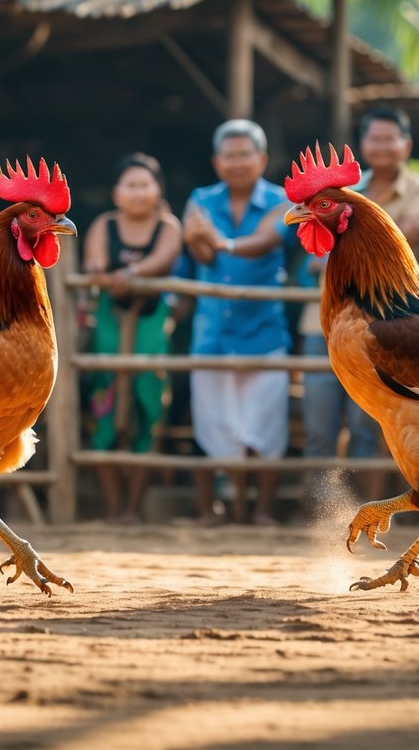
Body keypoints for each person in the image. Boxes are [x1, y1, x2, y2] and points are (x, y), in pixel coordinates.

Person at [301, 107, 419, 503]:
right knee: (318, 424)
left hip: (388, 326)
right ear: (363, 145)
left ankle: (364, 502)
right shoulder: (342, 197)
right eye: (373, 139)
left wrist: (355, 233)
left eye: (389, 138)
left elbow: (407, 232)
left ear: (406, 145)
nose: (381, 146)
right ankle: (322, 510)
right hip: (325, 325)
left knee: (370, 426)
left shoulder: (417, 192)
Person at [176, 119, 297, 526]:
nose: (237, 162)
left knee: (266, 425)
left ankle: (259, 510)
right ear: (216, 161)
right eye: (229, 155)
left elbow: (266, 240)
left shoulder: (283, 202)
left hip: (263, 332)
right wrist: (205, 240)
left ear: (261, 159)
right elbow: (202, 255)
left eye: (245, 154)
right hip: (212, 333)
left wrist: (218, 239)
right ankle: (211, 510)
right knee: (211, 424)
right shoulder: (200, 199)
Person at [83, 153, 183, 524]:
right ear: (116, 193)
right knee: (102, 403)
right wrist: (100, 272)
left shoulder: (169, 226)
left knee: (150, 405)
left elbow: (163, 258)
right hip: (109, 323)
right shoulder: (103, 225)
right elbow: (93, 263)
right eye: (131, 185)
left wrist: (131, 273)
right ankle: (112, 509)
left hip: (152, 325)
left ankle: (133, 509)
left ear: (158, 190)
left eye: (145, 184)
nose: (138, 192)